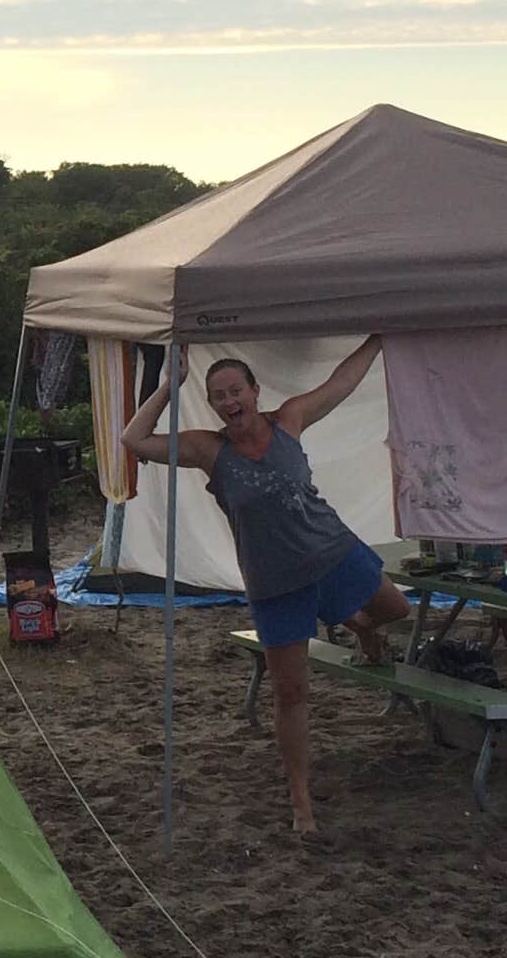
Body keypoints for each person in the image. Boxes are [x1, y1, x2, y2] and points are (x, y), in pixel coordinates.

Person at [118, 339, 411, 836]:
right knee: (291, 692)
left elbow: (341, 383)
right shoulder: (207, 449)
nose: (230, 402)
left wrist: (379, 339)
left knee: (396, 610)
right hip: (275, 586)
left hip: (334, 551)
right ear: (212, 404)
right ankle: (301, 801)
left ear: (255, 391)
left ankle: (359, 626)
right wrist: (170, 386)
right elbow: (134, 440)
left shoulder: (289, 419)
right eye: (219, 396)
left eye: (237, 391)